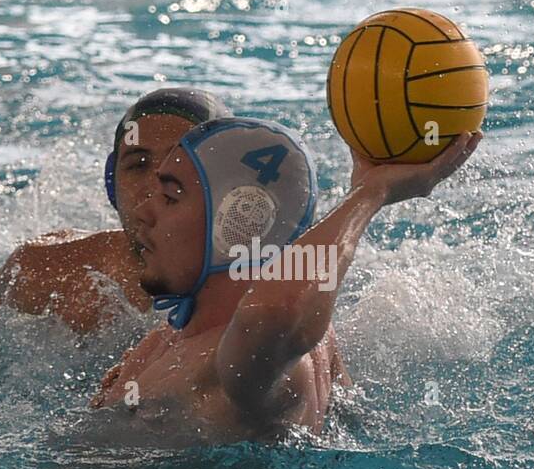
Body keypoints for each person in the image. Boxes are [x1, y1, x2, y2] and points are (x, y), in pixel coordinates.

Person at [91, 118, 482, 442]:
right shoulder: (178, 335)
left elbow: (275, 310)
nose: (143, 213)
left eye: (170, 198)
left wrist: (370, 192)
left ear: (239, 222)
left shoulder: (247, 364)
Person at [0, 88, 229, 332]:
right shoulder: (43, 274)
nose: (154, 187)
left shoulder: (255, 290)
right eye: (138, 165)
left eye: (182, 163)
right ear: (111, 183)